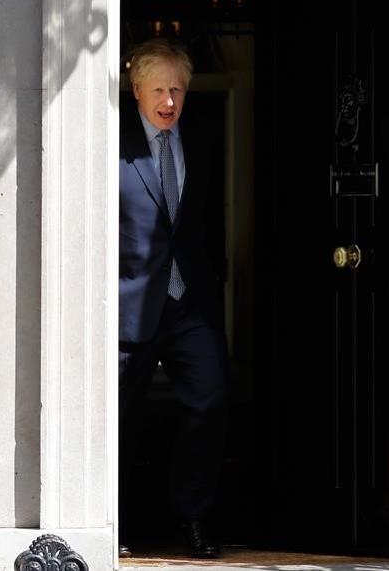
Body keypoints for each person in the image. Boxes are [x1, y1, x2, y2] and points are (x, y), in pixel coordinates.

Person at [118, 39, 227, 559]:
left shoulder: (200, 139)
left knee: (207, 403)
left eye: (177, 89)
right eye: (159, 89)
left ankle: (192, 516)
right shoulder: (111, 141)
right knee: (120, 414)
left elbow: (204, 221)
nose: (169, 101)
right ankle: (111, 519)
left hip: (190, 302)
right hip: (130, 302)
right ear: (136, 89)